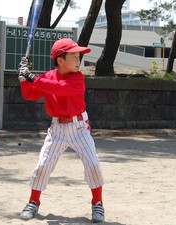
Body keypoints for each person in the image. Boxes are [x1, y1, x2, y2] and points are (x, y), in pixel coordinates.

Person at [17, 38, 105, 223]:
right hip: (57, 128)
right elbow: (30, 94)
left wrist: (32, 77)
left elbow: (59, 89)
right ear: (60, 60)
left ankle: (97, 203)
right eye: (73, 56)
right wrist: (24, 78)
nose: (78, 59)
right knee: (43, 166)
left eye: (78, 55)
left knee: (92, 164)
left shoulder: (78, 78)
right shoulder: (48, 76)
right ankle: (33, 201)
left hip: (79, 127)